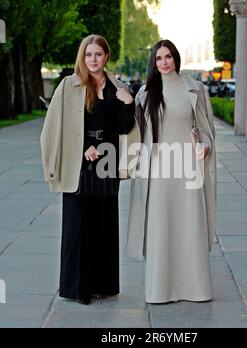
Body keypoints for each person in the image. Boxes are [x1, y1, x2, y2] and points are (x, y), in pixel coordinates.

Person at [40, 34, 135, 305]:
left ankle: (102, 285)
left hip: (107, 163)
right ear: (82, 57)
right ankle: (77, 288)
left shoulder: (118, 86)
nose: (93, 59)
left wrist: (128, 103)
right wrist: (83, 149)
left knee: (104, 224)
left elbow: (124, 127)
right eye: (88, 54)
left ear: (106, 57)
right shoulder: (68, 86)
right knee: (77, 226)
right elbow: (57, 126)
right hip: (79, 163)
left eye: (98, 54)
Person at [126, 39, 216, 304]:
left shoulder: (195, 88)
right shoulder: (145, 93)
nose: (164, 62)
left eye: (168, 57)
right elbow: (133, 133)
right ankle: (160, 290)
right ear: (153, 63)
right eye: (159, 58)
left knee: (190, 225)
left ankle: (196, 289)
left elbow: (206, 129)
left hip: (188, 168)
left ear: (176, 58)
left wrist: (205, 147)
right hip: (159, 169)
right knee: (161, 227)